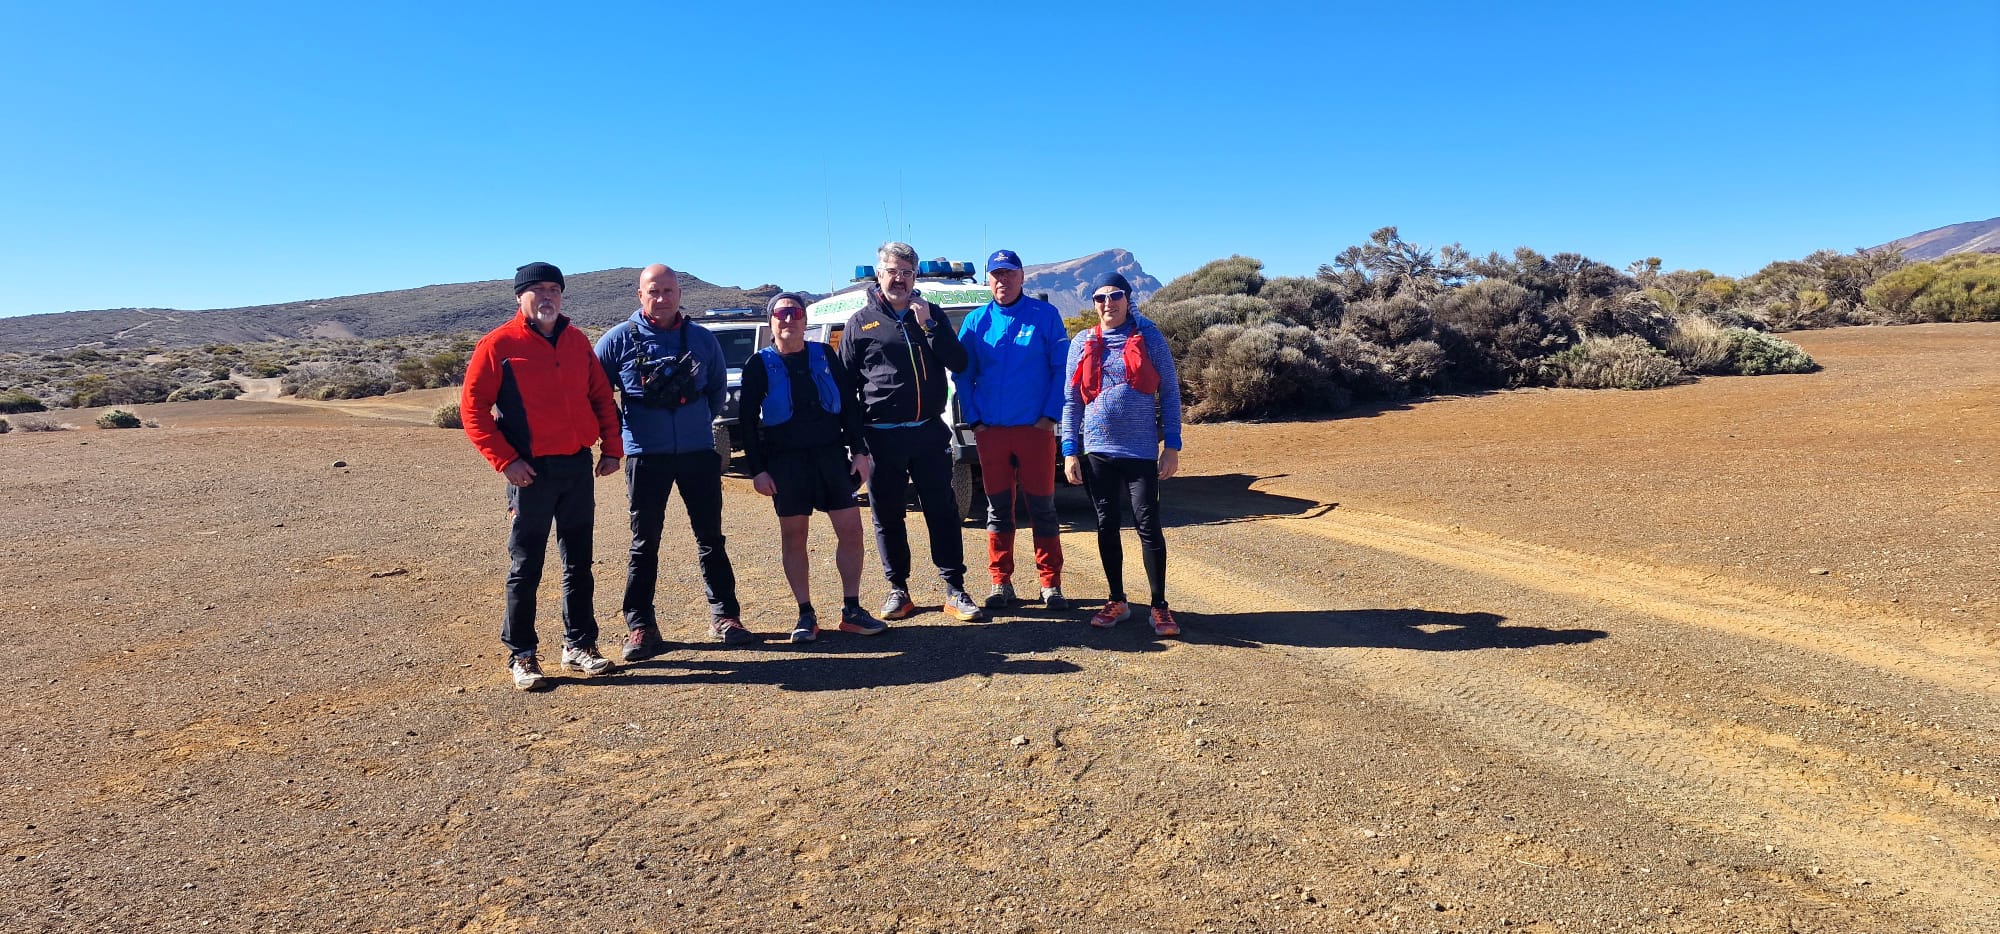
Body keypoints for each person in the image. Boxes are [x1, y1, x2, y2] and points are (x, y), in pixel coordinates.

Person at [462, 262, 624, 689]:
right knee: (526, 565)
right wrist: (506, 461)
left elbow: (600, 398)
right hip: (529, 471)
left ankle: (580, 645)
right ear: (520, 297)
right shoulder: (498, 345)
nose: (547, 297)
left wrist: (612, 447)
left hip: (575, 466)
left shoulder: (575, 341)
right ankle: (523, 654)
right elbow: (473, 411)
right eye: (537, 290)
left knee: (579, 562)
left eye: (555, 289)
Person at [593, 264, 751, 661]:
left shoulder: (701, 339)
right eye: (653, 291)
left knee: (711, 538)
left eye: (668, 290)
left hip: (698, 453)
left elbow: (716, 390)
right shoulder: (617, 341)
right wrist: (619, 436)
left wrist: (695, 424)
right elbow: (595, 393)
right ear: (639, 295)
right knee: (644, 543)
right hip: (646, 456)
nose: (661, 298)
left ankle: (725, 617)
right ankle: (641, 626)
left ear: (679, 294)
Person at [839, 241, 985, 623]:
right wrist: (856, 444)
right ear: (879, 274)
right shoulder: (859, 323)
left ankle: (955, 588)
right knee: (887, 515)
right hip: (880, 437)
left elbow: (960, 362)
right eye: (893, 271)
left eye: (907, 272)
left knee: (942, 510)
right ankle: (898, 590)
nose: (899, 279)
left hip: (927, 433)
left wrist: (931, 326)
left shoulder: (931, 315)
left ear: (915, 276)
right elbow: (846, 391)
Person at [739, 292, 883, 642]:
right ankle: (805, 614)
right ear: (771, 322)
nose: (789, 320)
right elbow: (746, 422)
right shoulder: (758, 365)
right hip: (785, 463)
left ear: (805, 320)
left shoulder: (824, 355)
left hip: (831, 457)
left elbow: (849, 405)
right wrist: (758, 470)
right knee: (794, 537)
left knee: (851, 531)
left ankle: (852, 609)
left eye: (795, 313)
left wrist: (860, 452)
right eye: (781, 314)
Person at [1061, 272, 1185, 637]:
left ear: (1128, 299)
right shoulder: (1082, 342)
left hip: (1141, 450)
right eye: (1100, 298)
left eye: (1115, 296)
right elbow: (1070, 401)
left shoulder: (1149, 336)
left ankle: (1159, 606)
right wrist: (1070, 450)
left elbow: (1171, 393)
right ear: (1093, 304)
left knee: (1148, 525)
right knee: (1106, 524)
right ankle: (1117, 599)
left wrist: (1172, 446)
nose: (1108, 303)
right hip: (1097, 451)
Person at [952, 249, 1070, 611]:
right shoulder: (975, 321)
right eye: (995, 275)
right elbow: (963, 375)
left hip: (1034, 430)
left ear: (1022, 277)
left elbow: (1060, 369)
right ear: (988, 280)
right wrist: (976, 422)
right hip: (992, 434)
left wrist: (1049, 417)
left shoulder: (1045, 316)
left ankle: (1050, 585)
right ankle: (1000, 582)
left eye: (1008, 274)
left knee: (1043, 509)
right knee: (998, 510)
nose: (1002, 281)